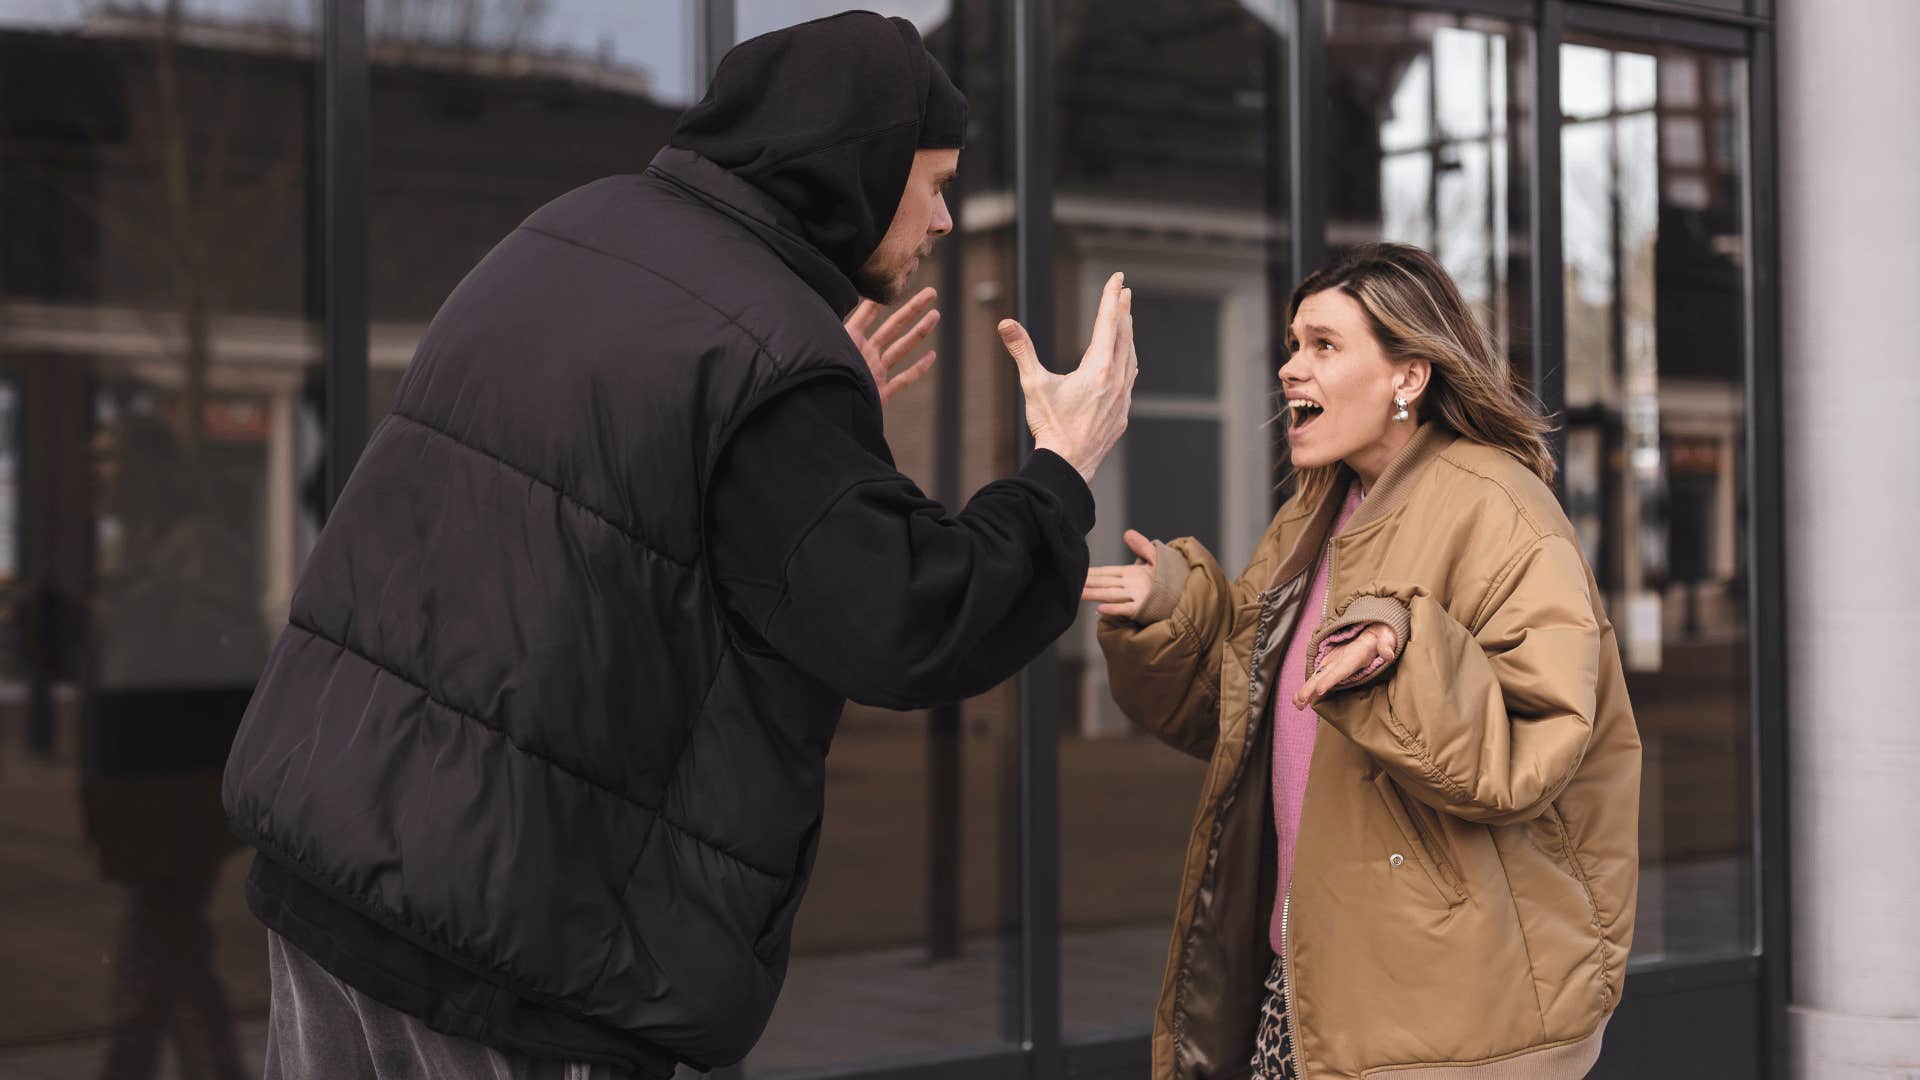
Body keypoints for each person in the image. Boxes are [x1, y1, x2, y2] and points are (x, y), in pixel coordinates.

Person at [222, 12, 1136, 1079]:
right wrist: (1062, 468)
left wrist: (794, 413)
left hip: (337, 863)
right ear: (852, 170)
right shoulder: (766, 357)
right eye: (929, 182)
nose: (939, 218)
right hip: (502, 944)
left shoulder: (577, 230)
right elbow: (906, 618)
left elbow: (618, 479)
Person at [1087, 243, 1639, 1079]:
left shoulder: (1499, 509)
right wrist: (1174, 612)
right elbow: (1240, 720)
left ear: (1408, 376)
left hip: (1444, 1006)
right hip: (1310, 984)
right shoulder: (1316, 516)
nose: (1288, 368)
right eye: (1291, 343)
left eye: (1322, 345)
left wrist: (1402, 654)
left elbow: (1534, 750)